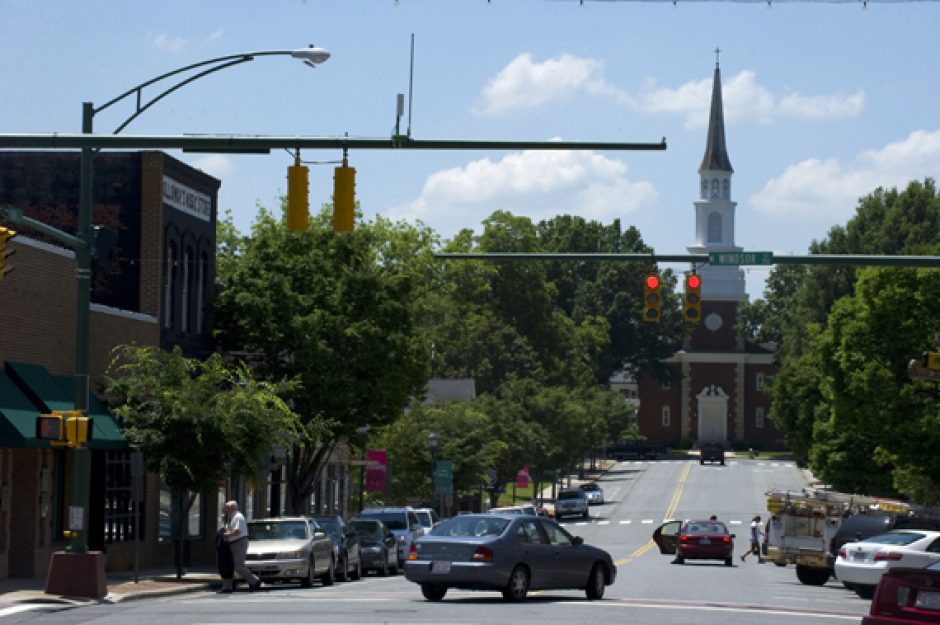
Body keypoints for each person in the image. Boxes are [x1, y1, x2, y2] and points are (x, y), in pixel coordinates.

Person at [221, 500, 260, 591]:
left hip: (239, 542)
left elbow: (237, 532)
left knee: (238, 566)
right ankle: (228, 586)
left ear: (232, 508)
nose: (225, 510)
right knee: (231, 565)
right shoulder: (231, 517)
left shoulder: (238, 517)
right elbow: (232, 529)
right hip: (233, 543)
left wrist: (226, 535)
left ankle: (254, 581)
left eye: (227, 508)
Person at [215, 525, 234, 593]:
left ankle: (227, 587)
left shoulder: (221, 537)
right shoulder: (223, 537)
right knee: (227, 570)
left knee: (226, 570)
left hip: (224, 556)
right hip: (226, 555)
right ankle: (228, 586)